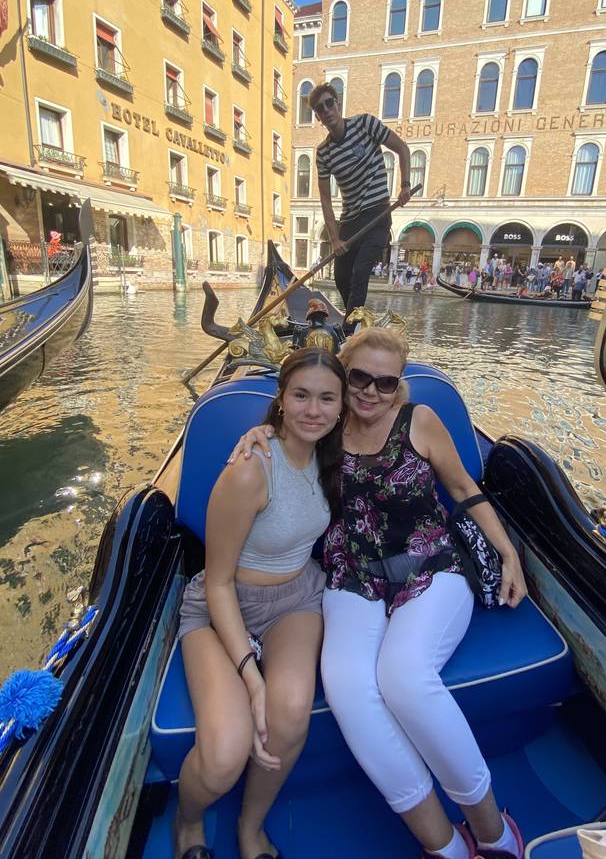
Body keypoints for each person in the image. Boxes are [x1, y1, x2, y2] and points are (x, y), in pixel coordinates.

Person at [232, 329, 528, 859]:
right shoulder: (325, 425)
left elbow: (463, 488)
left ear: (399, 386)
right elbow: (286, 423)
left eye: (385, 382)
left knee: (404, 676)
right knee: (347, 687)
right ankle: (443, 846)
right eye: (360, 378)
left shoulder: (420, 422)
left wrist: (509, 554)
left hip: (431, 566)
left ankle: (494, 832)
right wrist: (256, 434)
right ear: (343, 377)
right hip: (353, 575)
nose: (371, 391)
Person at [175, 348, 347, 859]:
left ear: (342, 406)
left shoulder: (334, 455)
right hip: (220, 606)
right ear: (281, 399)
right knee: (223, 755)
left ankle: (250, 827)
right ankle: (188, 821)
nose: (312, 410)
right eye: (301, 396)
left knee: (290, 713)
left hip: (295, 600)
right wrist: (252, 679)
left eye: (326, 398)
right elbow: (218, 583)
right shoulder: (252, 467)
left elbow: (393, 407)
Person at [310, 82, 411, 316]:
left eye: (329, 103)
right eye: (320, 108)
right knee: (341, 277)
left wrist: (405, 185)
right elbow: (325, 199)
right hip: (350, 220)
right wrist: (334, 238)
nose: (326, 110)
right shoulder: (323, 152)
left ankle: (351, 327)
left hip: (378, 215)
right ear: (318, 117)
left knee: (359, 274)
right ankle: (355, 320)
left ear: (337, 104)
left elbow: (402, 149)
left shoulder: (365, 124)